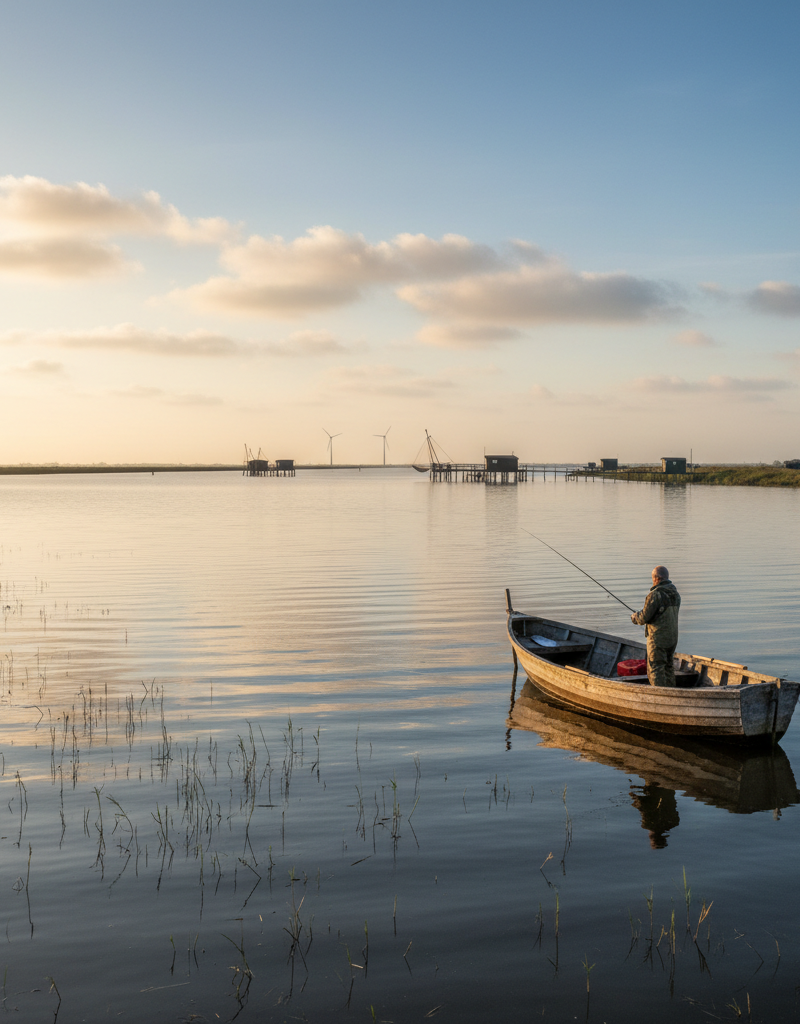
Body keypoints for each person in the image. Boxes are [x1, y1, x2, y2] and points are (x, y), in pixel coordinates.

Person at [631, 566, 681, 687]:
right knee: (668, 667)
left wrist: (634, 617)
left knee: (655, 669)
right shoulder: (676, 594)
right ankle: (672, 694)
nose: (652, 580)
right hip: (672, 638)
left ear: (657, 578)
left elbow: (644, 617)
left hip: (658, 639)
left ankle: (661, 696)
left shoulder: (655, 595)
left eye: (653, 578)